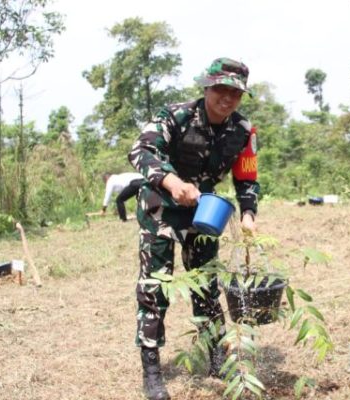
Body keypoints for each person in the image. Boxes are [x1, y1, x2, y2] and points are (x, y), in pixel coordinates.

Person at [127, 57, 259, 400]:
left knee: (206, 285)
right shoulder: (176, 116)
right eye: (221, 90)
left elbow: (247, 176)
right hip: (160, 207)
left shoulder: (243, 130)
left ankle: (216, 356)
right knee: (155, 287)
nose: (227, 98)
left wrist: (248, 213)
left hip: (205, 210)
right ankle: (152, 370)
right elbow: (141, 150)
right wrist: (173, 183)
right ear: (206, 87)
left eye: (235, 93)